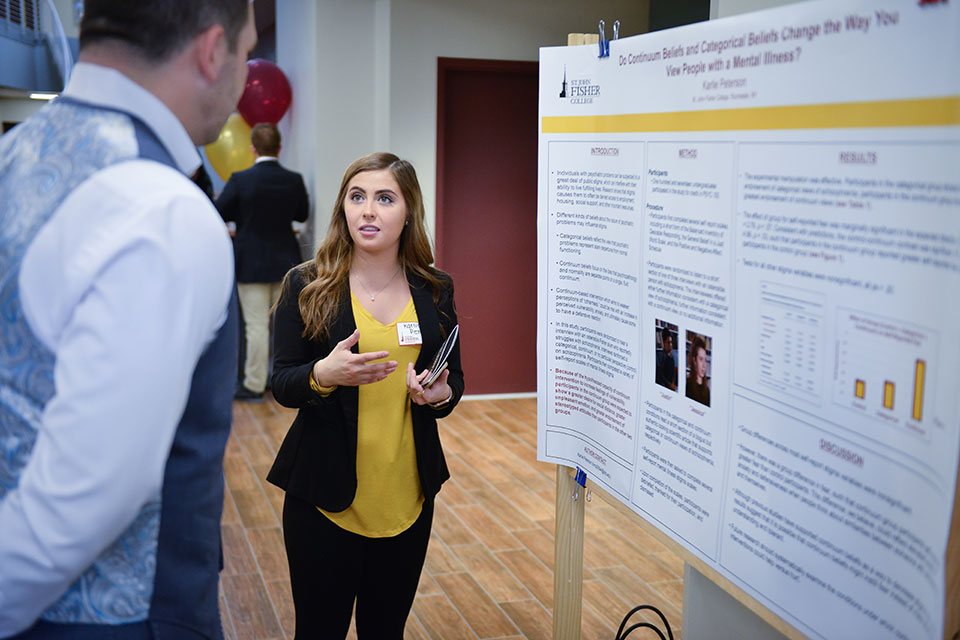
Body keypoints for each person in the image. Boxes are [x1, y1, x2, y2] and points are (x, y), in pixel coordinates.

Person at [0, 1, 257, 638]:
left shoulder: (16, 152)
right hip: (116, 617)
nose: (245, 74)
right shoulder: (160, 208)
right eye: (247, 53)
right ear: (211, 50)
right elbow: (85, 502)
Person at [267, 152, 464, 638]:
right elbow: (283, 383)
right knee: (319, 630)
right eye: (357, 197)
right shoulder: (307, 285)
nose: (368, 211)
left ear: (408, 211)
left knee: (385, 630)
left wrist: (439, 396)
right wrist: (324, 373)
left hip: (407, 497)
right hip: (324, 497)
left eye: (384, 198)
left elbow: (452, 380)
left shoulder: (434, 289)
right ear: (343, 209)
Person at [216, 122, 309, 400]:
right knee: (288, 325)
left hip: (252, 263)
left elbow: (220, 211)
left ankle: (254, 384)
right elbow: (302, 215)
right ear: (279, 148)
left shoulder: (240, 179)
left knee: (255, 326)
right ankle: (286, 380)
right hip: (287, 263)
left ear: (252, 148)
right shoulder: (294, 179)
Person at [686, 335, 711, 407]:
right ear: (694, 361)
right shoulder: (687, 385)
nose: (704, 365)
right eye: (700, 359)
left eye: (705, 360)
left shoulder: (707, 391)